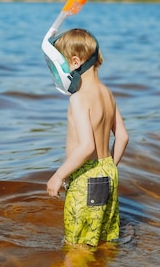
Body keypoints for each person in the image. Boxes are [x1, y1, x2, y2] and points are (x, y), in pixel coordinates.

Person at [46, 28, 129, 249]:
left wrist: (58, 176)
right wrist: (108, 166)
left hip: (85, 179)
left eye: (61, 64)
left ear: (74, 62)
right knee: (104, 238)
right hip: (108, 173)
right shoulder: (107, 93)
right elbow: (122, 136)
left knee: (76, 245)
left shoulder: (79, 98)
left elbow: (86, 146)